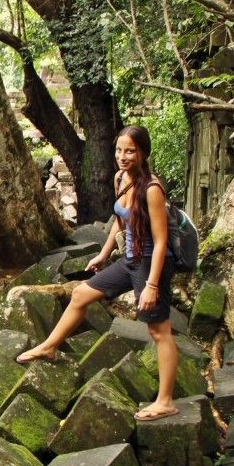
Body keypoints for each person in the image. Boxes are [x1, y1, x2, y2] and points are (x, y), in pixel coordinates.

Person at [15, 125, 179, 421]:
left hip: (151, 262)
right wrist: (103, 255)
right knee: (80, 294)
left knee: (158, 331)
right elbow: (120, 220)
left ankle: (166, 401)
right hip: (128, 259)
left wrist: (153, 284)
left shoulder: (152, 189)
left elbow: (161, 239)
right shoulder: (120, 179)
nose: (123, 156)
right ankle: (49, 347)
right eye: (119, 150)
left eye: (130, 151)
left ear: (143, 153)